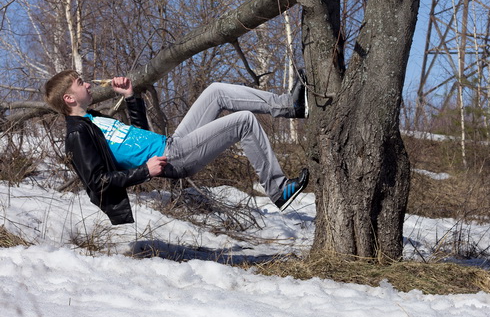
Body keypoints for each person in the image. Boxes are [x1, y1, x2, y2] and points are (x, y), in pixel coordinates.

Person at [44, 70, 309, 225]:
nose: (88, 84)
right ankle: (278, 189)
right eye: (81, 83)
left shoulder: (94, 118)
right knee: (243, 122)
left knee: (216, 91)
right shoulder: (77, 134)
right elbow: (98, 181)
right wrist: (146, 171)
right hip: (172, 158)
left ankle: (290, 106)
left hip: (172, 144)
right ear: (68, 98)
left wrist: (130, 97)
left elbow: (140, 135)